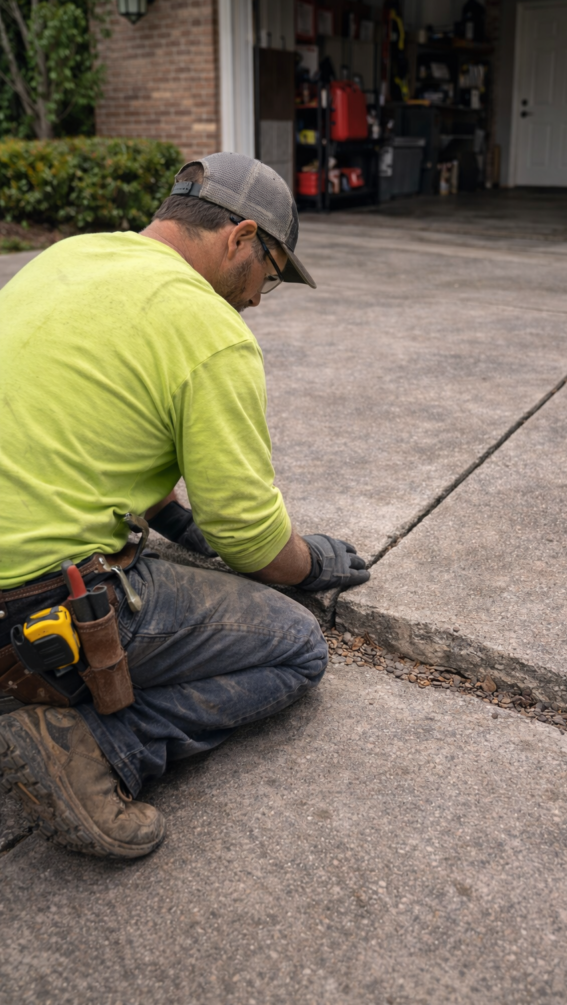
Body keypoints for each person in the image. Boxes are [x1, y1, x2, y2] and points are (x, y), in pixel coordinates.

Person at [0, 153, 370, 860]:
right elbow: (250, 539)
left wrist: (170, 516)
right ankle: (97, 748)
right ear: (241, 237)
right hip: (35, 608)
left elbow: (77, 422)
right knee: (297, 648)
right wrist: (309, 562)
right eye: (270, 273)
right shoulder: (209, 329)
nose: (259, 299)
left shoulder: (67, 259)